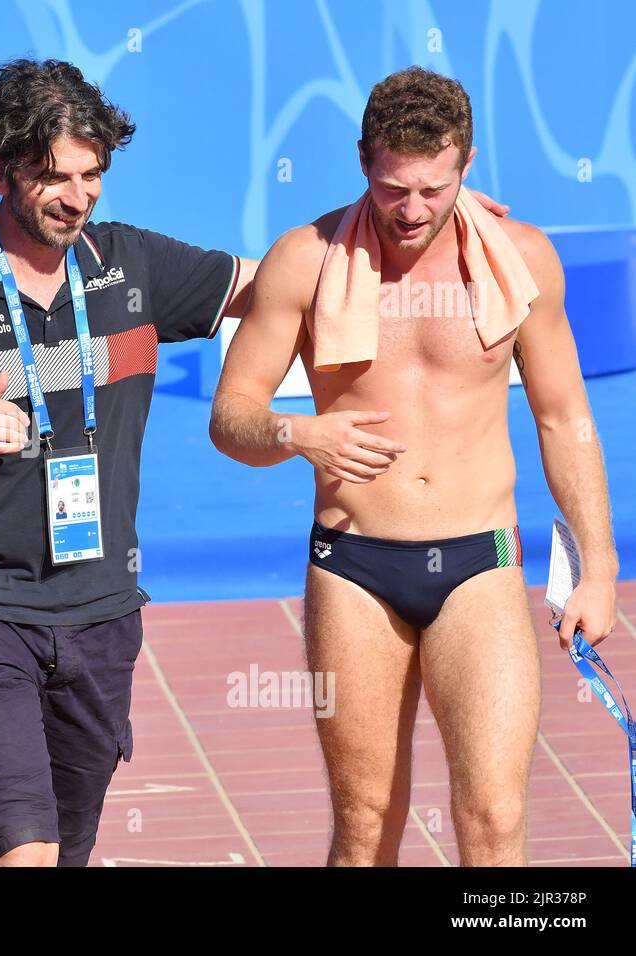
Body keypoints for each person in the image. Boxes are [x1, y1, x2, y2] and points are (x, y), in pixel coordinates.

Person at [0, 58, 258, 867]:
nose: (78, 196)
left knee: (66, 852)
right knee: (21, 851)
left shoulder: (130, 266)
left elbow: (281, 285)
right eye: (51, 177)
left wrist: (417, 220)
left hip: (101, 607)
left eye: (92, 173)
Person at [209, 66, 618, 866]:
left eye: (435, 188)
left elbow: (564, 417)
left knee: (495, 820)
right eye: (396, 187)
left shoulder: (523, 260)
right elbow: (232, 420)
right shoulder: (303, 260)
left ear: (465, 164)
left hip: (480, 562)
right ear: (364, 158)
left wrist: (598, 567)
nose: (413, 210)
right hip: (355, 564)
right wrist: (303, 435)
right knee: (366, 824)